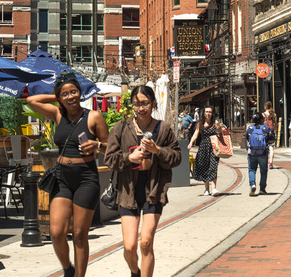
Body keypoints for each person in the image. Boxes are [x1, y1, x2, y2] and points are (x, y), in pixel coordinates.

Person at [25, 73, 109, 277]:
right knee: (56, 233)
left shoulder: (93, 117)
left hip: (86, 178)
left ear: (80, 93)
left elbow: (111, 147)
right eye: (66, 94)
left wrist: (97, 145)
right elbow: (31, 100)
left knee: (80, 235)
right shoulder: (57, 114)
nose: (71, 97)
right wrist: (58, 97)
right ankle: (68, 269)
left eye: (74, 92)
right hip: (62, 178)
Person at [105, 86, 181, 277]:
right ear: (132, 105)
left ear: (153, 103)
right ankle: (135, 272)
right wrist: (129, 158)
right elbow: (109, 159)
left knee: (146, 242)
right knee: (130, 247)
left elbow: (177, 157)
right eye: (137, 104)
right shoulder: (121, 128)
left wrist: (158, 150)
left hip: (153, 190)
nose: (141, 108)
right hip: (128, 190)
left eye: (145, 103)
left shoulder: (163, 129)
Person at [188, 106, 221, 196]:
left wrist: (219, 129)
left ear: (212, 113)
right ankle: (207, 189)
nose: (208, 113)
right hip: (203, 147)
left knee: (213, 167)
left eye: (210, 112)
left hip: (214, 148)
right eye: (206, 112)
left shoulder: (215, 123)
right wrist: (191, 143)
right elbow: (195, 134)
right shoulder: (200, 124)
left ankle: (213, 188)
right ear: (203, 113)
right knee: (204, 167)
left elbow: (219, 133)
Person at [246, 112, 270, 196]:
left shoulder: (250, 128)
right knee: (263, 171)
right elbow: (272, 139)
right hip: (263, 153)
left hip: (252, 152)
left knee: (252, 169)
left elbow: (247, 138)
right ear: (261, 120)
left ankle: (252, 184)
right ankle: (262, 189)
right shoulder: (266, 128)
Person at [262, 101, 277, 168]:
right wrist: (275, 131)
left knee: (264, 148)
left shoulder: (263, 114)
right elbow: (275, 124)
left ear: (265, 107)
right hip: (271, 132)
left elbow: (262, 124)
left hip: (264, 133)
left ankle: (264, 162)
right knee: (271, 148)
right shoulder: (274, 115)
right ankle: (271, 163)